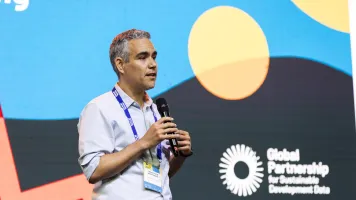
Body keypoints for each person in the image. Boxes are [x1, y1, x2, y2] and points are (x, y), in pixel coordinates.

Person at [77, 29, 193, 200]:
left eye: (154, 56)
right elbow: (93, 170)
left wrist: (180, 155)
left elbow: (161, 175)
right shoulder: (99, 108)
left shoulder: (154, 109)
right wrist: (144, 143)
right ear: (120, 65)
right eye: (142, 57)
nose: (153, 64)